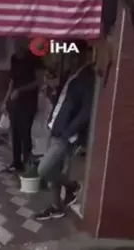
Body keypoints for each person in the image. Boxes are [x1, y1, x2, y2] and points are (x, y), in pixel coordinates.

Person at [34, 40, 95, 221]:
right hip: (55, 128)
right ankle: (55, 207)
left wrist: (69, 132)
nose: (73, 58)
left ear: (87, 54)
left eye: (77, 54)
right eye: (71, 54)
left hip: (64, 134)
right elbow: (63, 101)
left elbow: (85, 111)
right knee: (54, 170)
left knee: (43, 169)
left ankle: (72, 186)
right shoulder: (71, 74)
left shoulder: (88, 77)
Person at [1, 44, 45, 172]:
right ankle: (16, 162)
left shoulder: (34, 58)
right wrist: (5, 101)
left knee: (25, 131)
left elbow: (39, 81)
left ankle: (28, 163)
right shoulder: (13, 59)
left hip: (29, 101)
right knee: (15, 131)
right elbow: (12, 82)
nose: (16, 45)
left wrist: (20, 90)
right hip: (15, 102)